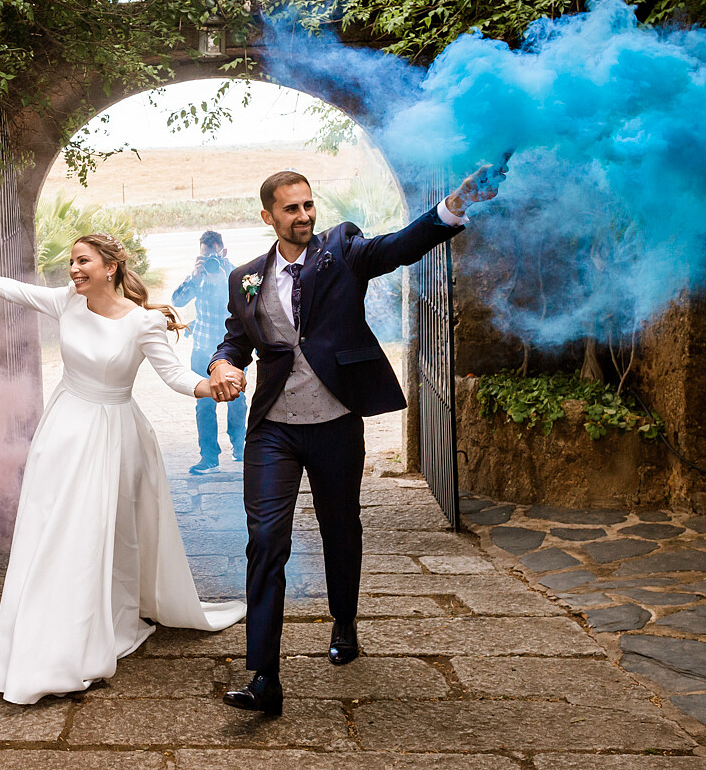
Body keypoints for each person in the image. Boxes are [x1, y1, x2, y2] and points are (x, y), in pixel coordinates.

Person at [207, 167, 501, 716]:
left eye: (308, 206)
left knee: (340, 527)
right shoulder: (246, 276)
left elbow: (401, 247)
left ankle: (344, 620)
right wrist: (223, 363)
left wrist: (455, 204)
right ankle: (264, 676)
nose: (304, 216)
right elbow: (236, 338)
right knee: (266, 540)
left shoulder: (342, 251)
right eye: (291, 209)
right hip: (274, 427)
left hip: (336, 422)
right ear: (268, 216)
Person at [0, 234, 247, 705]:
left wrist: (212, 387)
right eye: (71, 262)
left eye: (83, 261)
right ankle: (48, 629)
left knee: (100, 532)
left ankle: (99, 620)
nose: (74, 270)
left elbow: (173, 375)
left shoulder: (144, 322)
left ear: (110, 267)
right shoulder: (67, 301)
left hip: (114, 435)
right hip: (63, 431)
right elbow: (16, 290)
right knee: (54, 529)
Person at [171, 230, 247, 475]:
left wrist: (225, 278)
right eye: (205, 255)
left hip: (233, 350)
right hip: (202, 348)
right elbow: (177, 300)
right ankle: (208, 456)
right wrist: (195, 275)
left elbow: (249, 302)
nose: (210, 259)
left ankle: (240, 447)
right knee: (204, 403)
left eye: (214, 254)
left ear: (223, 251)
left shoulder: (235, 275)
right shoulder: (198, 275)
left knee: (237, 399)